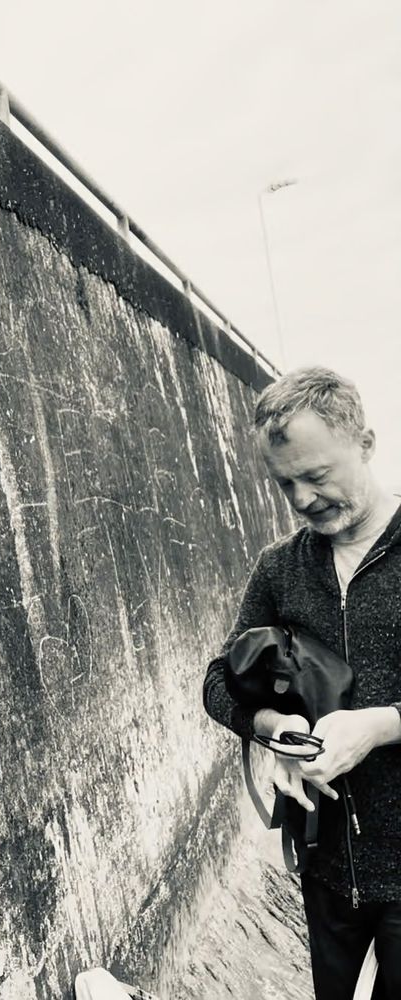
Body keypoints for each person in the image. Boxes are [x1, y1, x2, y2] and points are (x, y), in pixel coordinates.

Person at [204, 366, 401, 999]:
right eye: (285, 483)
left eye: (317, 476)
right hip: (323, 869)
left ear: (365, 444)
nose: (303, 499)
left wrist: (379, 725)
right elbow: (216, 681)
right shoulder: (279, 569)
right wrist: (273, 728)